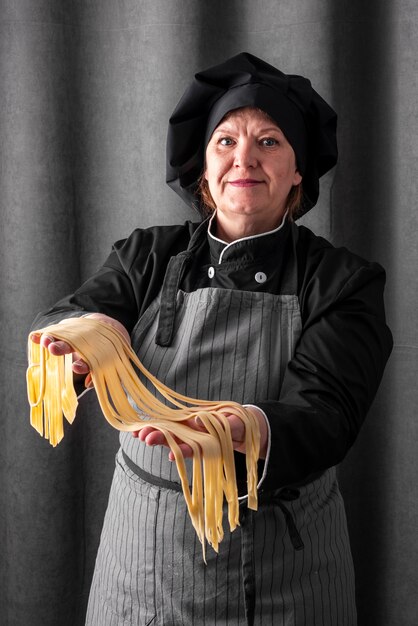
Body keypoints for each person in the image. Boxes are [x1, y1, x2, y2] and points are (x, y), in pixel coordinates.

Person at [32, 52, 393, 625]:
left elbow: (328, 413)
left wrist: (242, 429)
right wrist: (78, 342)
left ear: (298, 170)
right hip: (144, 559)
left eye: (269, 142)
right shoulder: (145, 256)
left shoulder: (341, 281)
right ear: (203, 168)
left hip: (285, 569)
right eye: (225, 141)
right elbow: (75, 314)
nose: (243, 159)